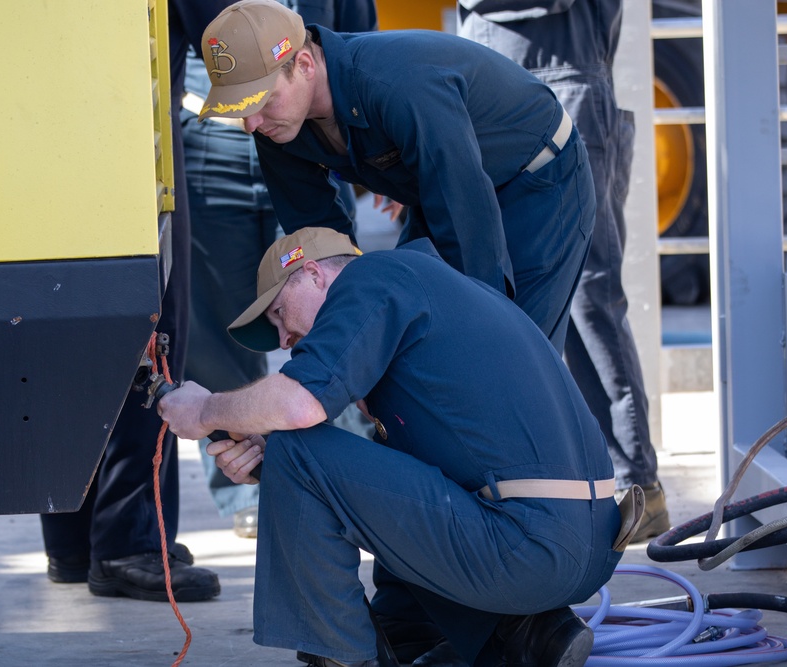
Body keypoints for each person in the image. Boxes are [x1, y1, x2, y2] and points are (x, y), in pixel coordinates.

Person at [157, 227, 624, 667]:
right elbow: (393, 484)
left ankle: (345, 656)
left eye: (280, 314)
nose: (284, 340)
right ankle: (517, 633)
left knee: (297, 449)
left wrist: (205, 411)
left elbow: (300, 408)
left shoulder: (373, 278)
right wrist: (271, 465)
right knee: (307, 456)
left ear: (314, 275)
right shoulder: (439, 291)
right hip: (583, 541)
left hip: (530, 546)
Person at [196, 0, 596, 355]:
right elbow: (322, 246)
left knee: (511, 355)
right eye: (240, 107)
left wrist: (482, 335)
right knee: (413, 344)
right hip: (441, 193)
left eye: (262, 99)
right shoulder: (275, 126)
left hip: (537, 182)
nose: (250, 123)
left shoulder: (397, 82)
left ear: (303, 65)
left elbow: (468, 222)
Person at [36, 0, 238, 603]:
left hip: (29, 132)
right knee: (146, 331)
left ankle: (75, 538)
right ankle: (128, 542)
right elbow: (228, 31)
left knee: (56, 317)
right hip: (128, 130)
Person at [456, 0, 670, 543]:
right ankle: (534, 480)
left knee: (587, 295)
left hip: (562, 82)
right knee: (493, 296)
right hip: (486, 86)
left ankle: (633, 484)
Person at [181, 0, 379, 540]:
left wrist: (382, 159)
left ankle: (353, 473)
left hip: (311, 149)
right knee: (222, 330)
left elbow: (355, 44)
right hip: (212, 147)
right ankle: (245, 484)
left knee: (335, 309)